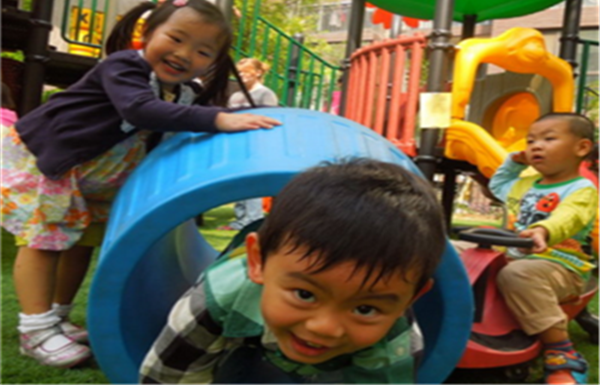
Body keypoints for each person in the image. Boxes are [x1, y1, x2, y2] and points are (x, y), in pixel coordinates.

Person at [0, 0, 281, 369]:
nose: (184, 54)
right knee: (45, 242)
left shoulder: (183, 91)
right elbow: (138, 109)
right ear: (147, 34)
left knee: (81, 244)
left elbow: (193, 116)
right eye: (176, 38)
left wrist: (247, 118)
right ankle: (35, 330)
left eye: (202, 51)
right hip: (52, 163)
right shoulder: (123, 67)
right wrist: (217, 119)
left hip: (90, 178)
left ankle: (59, 316)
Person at [139, 158, 447, 383]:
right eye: (304, 294)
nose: (324, 327)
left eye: (365, 309)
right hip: (241, 301)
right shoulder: (215, 298)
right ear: (258, 262)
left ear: (411, 299)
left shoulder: (396, 339)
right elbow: (168, 377)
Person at [489, 113, 597, 385]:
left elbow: (570, 216)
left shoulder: (582, 189)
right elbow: (497, 185)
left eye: (549, 139)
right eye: (531, 141)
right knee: (455, 252)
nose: (536, 146)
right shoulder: (525, 185)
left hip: (561, 266)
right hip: (515, 257)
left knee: (518, 275)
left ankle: (561, 352)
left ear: (581, 148)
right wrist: (513, 163)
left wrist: (544, 230)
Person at [218, 58, 279, 231]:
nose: (241, 76)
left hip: (256, 141)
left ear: (258, 73)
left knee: (252, 180)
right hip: (237, 141)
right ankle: (241, 219)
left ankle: (252, 219)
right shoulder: (236, 96)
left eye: (246, 72)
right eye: (239, 73)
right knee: (239, 179)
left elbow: (269, 118)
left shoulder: (265, 94)